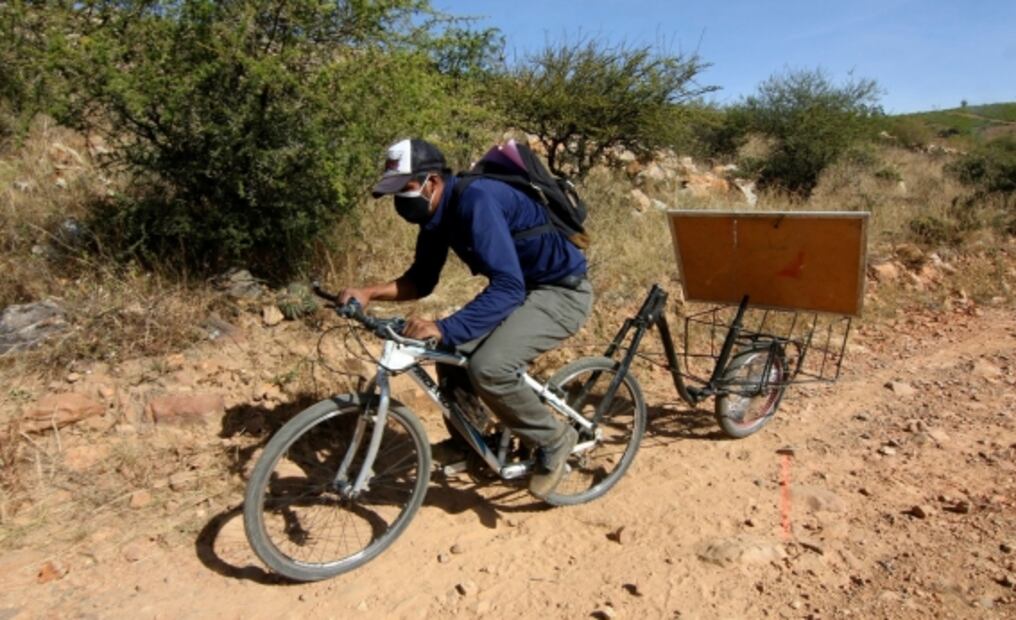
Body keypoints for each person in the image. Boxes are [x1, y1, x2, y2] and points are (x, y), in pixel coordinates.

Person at [338, 138, 592, 498]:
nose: (400, 199)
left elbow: (508, 287)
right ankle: (469, 445)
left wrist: (444, 326)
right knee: (447, 350)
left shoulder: (477, 200)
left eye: (405, 188)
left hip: (560, 291)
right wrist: (368, 293)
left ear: (433, 181)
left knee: (490, 367)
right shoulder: (436, 216)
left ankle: (555, 439)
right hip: (522, 287)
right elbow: (421, 280)